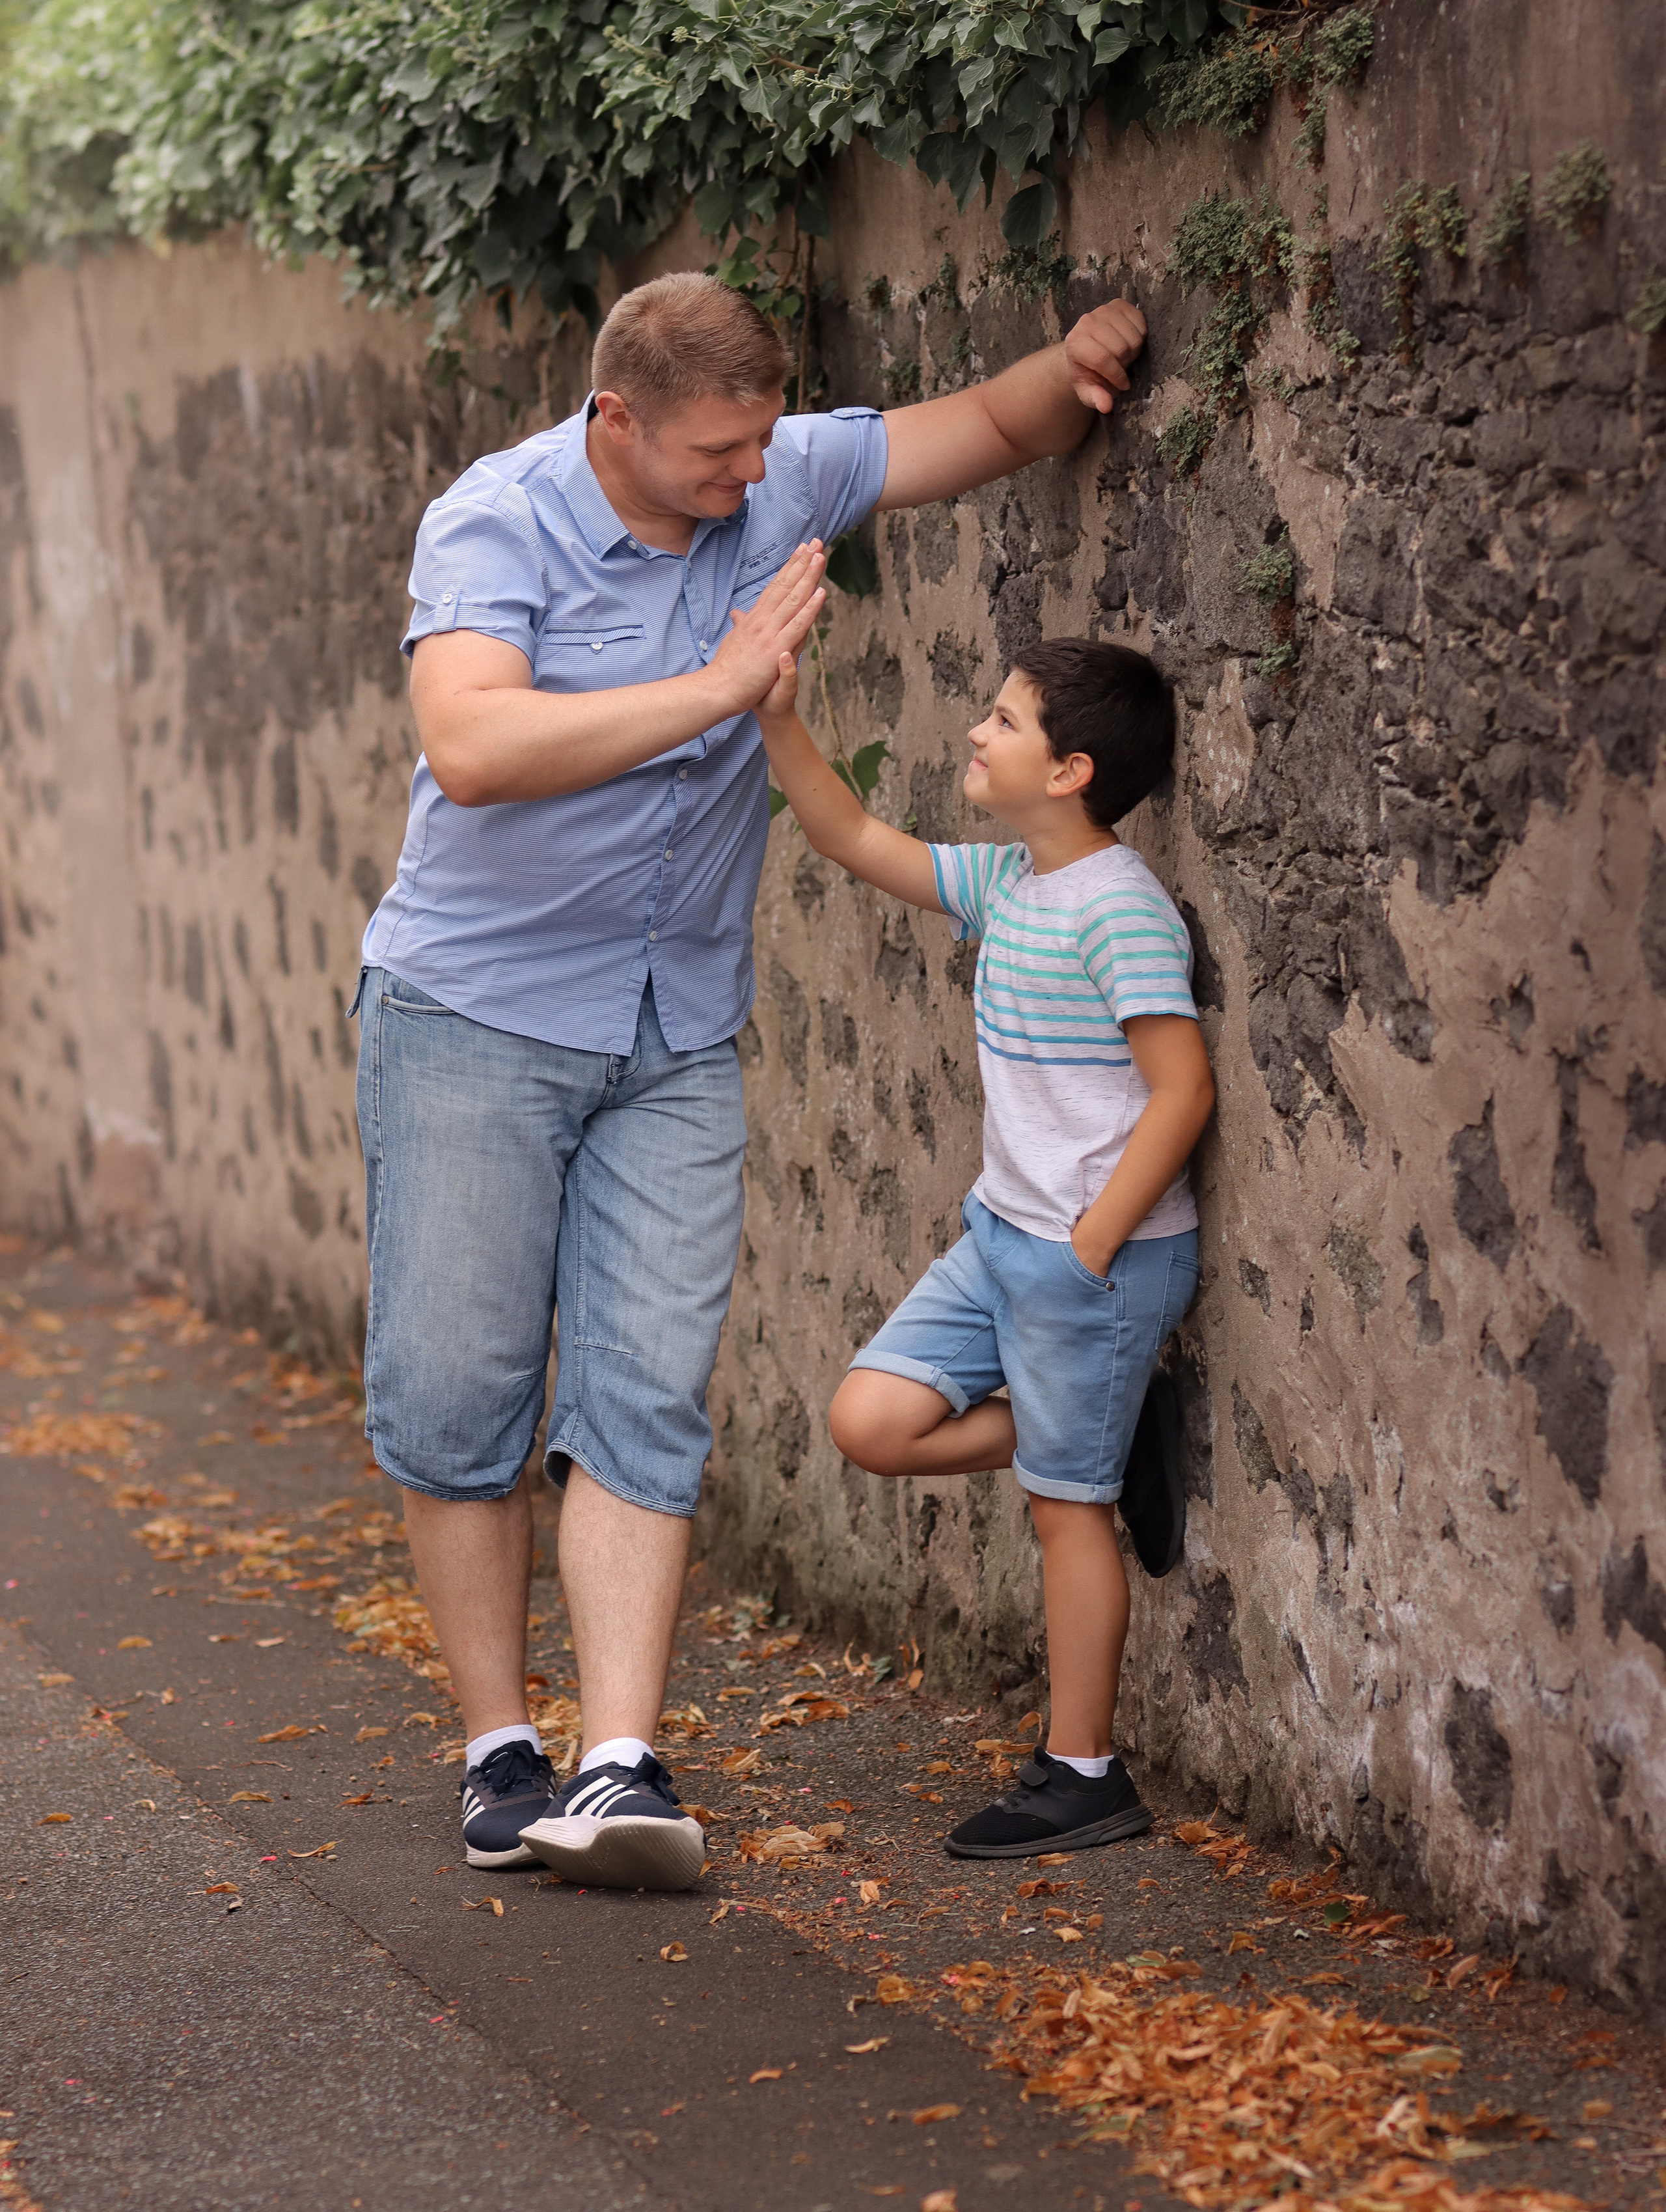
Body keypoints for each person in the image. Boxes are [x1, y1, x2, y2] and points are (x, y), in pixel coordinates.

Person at [351, 269, 1151, 1890]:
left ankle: (617, 1760)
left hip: (672, 1032)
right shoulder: (498, 520)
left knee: (644, 1389)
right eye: (716, 450)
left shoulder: (774, 469)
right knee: (460, 1395)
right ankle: (499, 1747)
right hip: (473, 1016)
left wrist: (1068, 368)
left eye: (762, 440)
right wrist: (720, 688)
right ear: (617, 418)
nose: (749, 473)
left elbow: (977, 428)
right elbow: (472, 748)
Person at [755, 628, 1214, 1858]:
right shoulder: (1011, 879)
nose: (976, 729)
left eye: (1005, 720)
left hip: (1088, 1262)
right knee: (871, 1420)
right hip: (1002, 1238)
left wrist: (1091, 1246)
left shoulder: (1120, 909)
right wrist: (776, 717)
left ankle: (1085, 1772)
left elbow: (1183, 1090)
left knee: (1066, 1512)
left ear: (1070, 772)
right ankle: (1112, 1421)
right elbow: (854, 837)